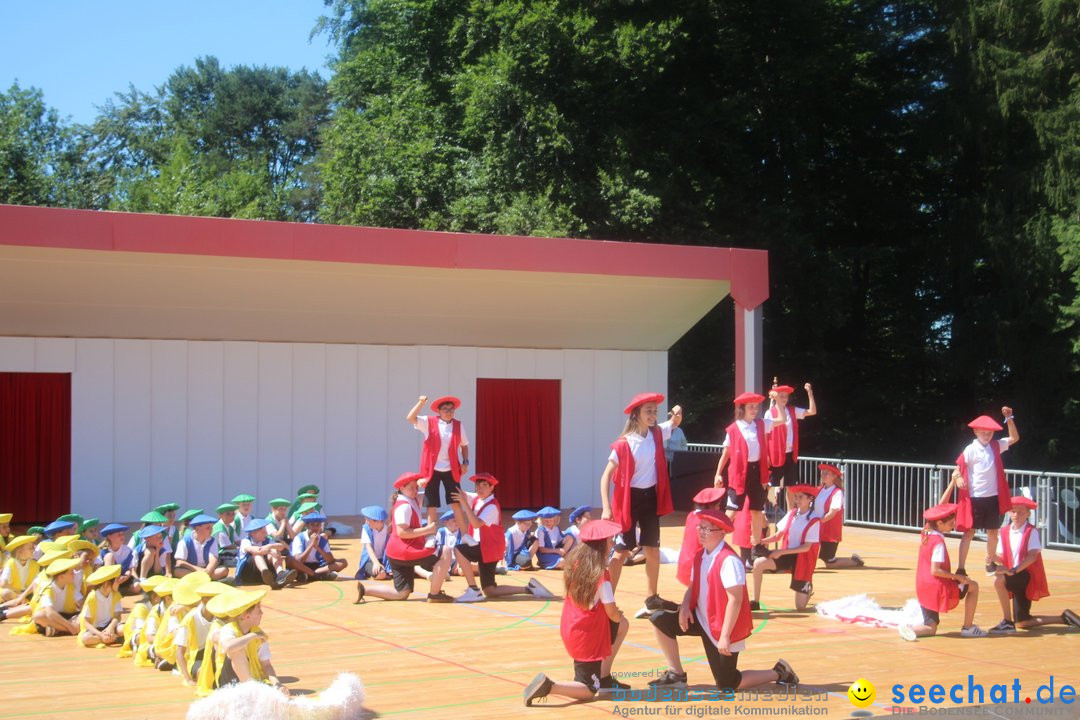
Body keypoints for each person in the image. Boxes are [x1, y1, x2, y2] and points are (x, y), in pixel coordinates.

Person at [646, 509, 800, 690]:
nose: (701, 532)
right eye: (700, 527)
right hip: (702, 618)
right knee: (659, 620)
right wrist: (686, 606)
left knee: (728, 683)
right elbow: (692, 586)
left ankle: (779, 672)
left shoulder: (729, 561)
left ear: (722, 533)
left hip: (723, 627)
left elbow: (736, 600)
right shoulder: (700, 555)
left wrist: (725, 636)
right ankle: (676, 674)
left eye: (707, 529)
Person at [524, 519, 630, 705]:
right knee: (589, 690)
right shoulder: (601, 576)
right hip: (586, 637)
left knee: (622, 624)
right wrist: (616, 614)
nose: (612, 543)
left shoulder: (575, 564)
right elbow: (612, 612)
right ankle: (550, 685)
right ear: (601, 546)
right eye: (610, 540)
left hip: (571, 626)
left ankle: (603, 677)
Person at [600, 392, 682, 612]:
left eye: (655, 411)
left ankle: (651, 598)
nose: (653, 414)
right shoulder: (624, 444)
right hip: (628, 500)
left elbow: (675, 422)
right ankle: (607, 601)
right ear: (636, 415)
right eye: (648, 411)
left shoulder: (657, 434)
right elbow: (606, 476)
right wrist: (607, 507)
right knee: (620, 552)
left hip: (650, 499)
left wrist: (676, 412)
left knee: (652, 549)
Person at [451, 472, 553, 603]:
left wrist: (464, 503)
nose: (479, 488)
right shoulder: (477, 498)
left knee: (459, 549)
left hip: (490, 547)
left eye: (483, 485)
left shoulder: (492, 506)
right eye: (477, 486)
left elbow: (476, 524)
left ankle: (473, 589)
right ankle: (529, 588)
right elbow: (460, 493)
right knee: (490, 590)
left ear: (491, 487)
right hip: (484, 546)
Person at [354, 472, 453, 604]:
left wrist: (426, 484)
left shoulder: (410, 499)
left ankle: (365, 590)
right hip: (406, 550)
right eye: (411, 488)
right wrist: (427, 530)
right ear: (401, 488)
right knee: (445, 551)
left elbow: (430, 496)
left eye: (416, 487)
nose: (415, 490)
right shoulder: (404, 506)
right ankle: (435, 594)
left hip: (395, 553)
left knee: (401, 593)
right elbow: (402, 533)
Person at [944, 408, 1019, 576]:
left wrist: (1009, 418)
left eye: (990, 432)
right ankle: (961, 567)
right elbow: (956, 470)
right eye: (984, 432)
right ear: (976, 431)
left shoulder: (995, 445)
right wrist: (959, 479)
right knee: (968, 532)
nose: (987, 435)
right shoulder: (970, 449)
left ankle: (989, 562)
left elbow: (1014, 438)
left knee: (993, 532)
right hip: (975, 497)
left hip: (992, 497)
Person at [989, 496, 1080, 633]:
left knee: (999, 580)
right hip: (1014, 575)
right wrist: (992, 558)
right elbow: (1002, 556)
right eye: (1013, 511)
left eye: (1021, 512)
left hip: (1026, 576)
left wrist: (1013, 570)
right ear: (1009, 512)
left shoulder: (1031, 531)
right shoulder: (1004, 532)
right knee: (1022, 622)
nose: (1016, 515)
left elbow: (1032, 557)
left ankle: (1007, 621)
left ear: (1028, 514)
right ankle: (1063, 618)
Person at [899, 503, 987, 640]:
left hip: (923, 585)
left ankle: (911, 629)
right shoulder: (938, 542)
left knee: (930, 627)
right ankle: (968, 627)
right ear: (939, 523)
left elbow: (939, 507)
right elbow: (935, 570)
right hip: (937, 587)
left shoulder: (926, 531)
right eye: (951, 522)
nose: (954, 525)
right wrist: (957, 577)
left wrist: (952, 483)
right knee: (973, 586)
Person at [714, 392, 782, 562]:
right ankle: (714, 539)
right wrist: (717, 473)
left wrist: (777, 400)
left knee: (757, 510)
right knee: (732, 512)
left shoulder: (761, 424)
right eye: (751, 406)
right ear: (742, 408)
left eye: (756, 406)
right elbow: (726, 453)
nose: (754, 409)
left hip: (757, 471)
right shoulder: (733, 429)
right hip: (739, 473)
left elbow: (781, 419)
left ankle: (757, 546)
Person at [407, 394, 476, 543]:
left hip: (451, 469)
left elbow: (464, 445)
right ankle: (431, 535)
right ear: (439, 411)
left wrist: (465, 462)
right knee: (431, 503)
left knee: (456, 503)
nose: (448, 411)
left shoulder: (458, 425)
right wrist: (420, 403)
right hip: (431, 470)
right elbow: (410, 418)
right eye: (445, 409)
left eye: (451, 409)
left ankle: (464, 535)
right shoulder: (429, 422)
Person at [200, 588, 288, 696]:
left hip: (253, 677)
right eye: (259, 610)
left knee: (279, 694)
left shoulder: (259, 633)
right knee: (237, 649)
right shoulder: (229, 629)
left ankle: (252, 686)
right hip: (228, 681)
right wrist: (251, 636)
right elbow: (228, 647)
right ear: (247, 616)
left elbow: (266, 665)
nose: (262, 613)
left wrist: (277, 684)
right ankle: (249, 687)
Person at [750, 485, 821, 611]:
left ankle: (808, 586)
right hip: (787, 555)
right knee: (758, 564)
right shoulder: (792, 513)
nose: (797, 500)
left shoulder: (814, 520)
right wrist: (760, 541)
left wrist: (781, 551)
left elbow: (806, 547)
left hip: (803, 560)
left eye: (801, 497)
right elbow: (778, 535)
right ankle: (755, 601)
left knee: (800, 607)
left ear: (810, 499)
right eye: (796, 497)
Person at [175, 580, 231, 687]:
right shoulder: (190, 619)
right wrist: (187, 679)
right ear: (205, 600)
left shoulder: (222, 615)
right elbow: (179, 652)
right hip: (197, 657)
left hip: (217, 652)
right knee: (205, 675)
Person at [766, 382, 816, 499]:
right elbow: (766, 435)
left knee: (791, 486)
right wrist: (766, 455)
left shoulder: (792, 410)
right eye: (781, 396)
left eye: (785, 396)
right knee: (771, 485)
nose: (784, 398)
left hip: (790, 453)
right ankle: (762, 511)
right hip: (775, 454)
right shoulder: (770, 412)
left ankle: (791, 514)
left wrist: (810, 394)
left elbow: (812, 411)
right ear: (777, 397)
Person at [812, 464, 863, 569]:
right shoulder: (820, 489)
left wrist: (820, 521)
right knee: (807, 548)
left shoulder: (837, 492)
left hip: (829, 530)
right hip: (817, 528)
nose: (823, 475)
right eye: (823, 473)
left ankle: (855, 561)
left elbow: (832, 512)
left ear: (834, 476)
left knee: (829, 562)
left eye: (827, 473)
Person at [675, 487, 727, 588]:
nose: (719, 508)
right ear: (712, 506)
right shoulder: (708, 522)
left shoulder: (691, 515)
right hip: (696, 569)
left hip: (685, 566)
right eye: (717, 505)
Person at [32, 556, 84, 637]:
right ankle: (69, 630)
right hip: (53, 618)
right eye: (71, 573)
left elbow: (82, 603)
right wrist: (70, 626)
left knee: (82, 617)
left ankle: (57, 630)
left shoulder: (70, 586)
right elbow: (49, 612)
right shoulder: (47, 588)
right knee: (39, 616)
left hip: (67, 616)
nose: (74, 574)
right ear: (61, 577)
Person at [235, 519, 294, 589]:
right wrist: (269, 550)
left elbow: (281, 547)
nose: (266, 534)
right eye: (263, 532)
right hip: (248, 574)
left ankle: (280, 574)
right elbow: (254, 550)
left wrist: (270, 547)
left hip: (259, 576)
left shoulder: (267, 540)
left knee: (274, 550)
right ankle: (266, 573)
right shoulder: (245, 541)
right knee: (256, 554)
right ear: (253, 533)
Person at [290, 512, 348, 581]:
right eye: (312, 525)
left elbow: (331, 560)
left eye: (318, 525)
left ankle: (308, 575)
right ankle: (317, 576)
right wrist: (311, 545)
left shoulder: (322, 539)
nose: (315, 528)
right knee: (291, 561)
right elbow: (299, 560)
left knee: (343, 562)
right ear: (307, 526)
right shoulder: (299, 538)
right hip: (303, 565)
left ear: (320, 526)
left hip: (318, 567)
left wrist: (317, 547)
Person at [78, 564, 124, 648]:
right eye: (115, 581)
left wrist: (110, 627)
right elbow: (86, 622)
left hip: (110, 626)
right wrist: (100, 634)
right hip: (96, 629)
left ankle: (109, 638)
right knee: (86, 638)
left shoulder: (115, 595)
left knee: (123, 629)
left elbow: (117, 616)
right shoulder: (93, 597)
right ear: (106, 584)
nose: (118, 583)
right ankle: (113, 639)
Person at [174, 515, 229, 580]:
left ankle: (198, 579)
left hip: (207, 570)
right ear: (197, 529)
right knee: (177, 571)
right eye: (208, 528)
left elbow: (213, 560)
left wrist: (207, 571)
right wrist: (199, 570)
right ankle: (205, 579)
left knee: (223, 570)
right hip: (191, 570)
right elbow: (180, 562)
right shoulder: (185, 541)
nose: (211, 530)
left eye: (211, 527)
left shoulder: (212, 541)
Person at [356, 506, 391, 581]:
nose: (366, 522)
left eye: (368, 520)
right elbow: (369, 548)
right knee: (381, 574)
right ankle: (370, 571)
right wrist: (376, 563)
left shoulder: (388, 530)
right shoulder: (366, 529)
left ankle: (383, 571)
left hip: (385, 559)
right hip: (370, 560)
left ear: (378, 521)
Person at [212, 503, 241, 568]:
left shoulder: (230, 527)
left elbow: (238, 541)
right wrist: (241, 548)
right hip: (218, 554)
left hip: (227, 551)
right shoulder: (219, 528)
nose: (231, 516)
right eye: (228, 514)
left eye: (233, 514)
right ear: (220, 515)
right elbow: (226, 546)